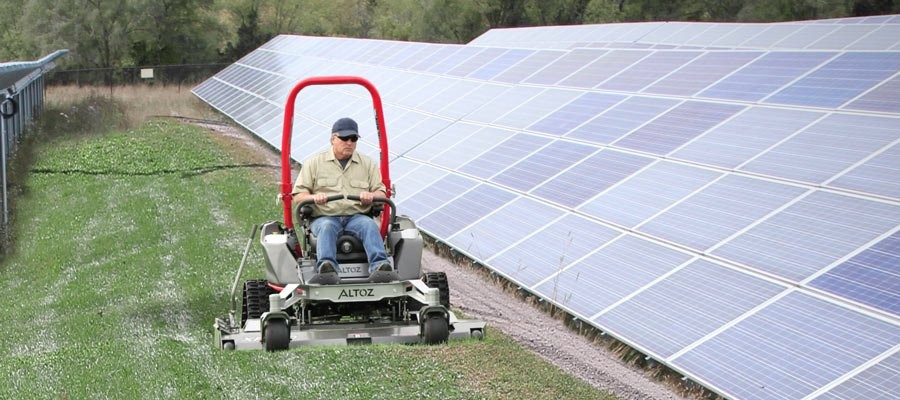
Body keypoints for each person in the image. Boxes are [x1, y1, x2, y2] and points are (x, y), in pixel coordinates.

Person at [291, 117, 398, 285]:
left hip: (357, 216)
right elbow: (298, 196)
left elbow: (380, 191)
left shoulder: (367, 164)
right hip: (325, 216)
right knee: (327, 227)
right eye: (344, 138)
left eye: (353, 139)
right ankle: (327, 268)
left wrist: (371, 196)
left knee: (369, 225)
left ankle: (380, 267)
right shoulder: (314, 164)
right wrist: (314, 198)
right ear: (333, 138)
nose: (349, 142)